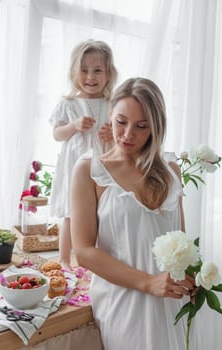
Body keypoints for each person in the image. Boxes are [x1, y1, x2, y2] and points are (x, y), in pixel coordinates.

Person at [70, 77, 199, 350]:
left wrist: (190, 277)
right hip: (123, 302)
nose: (128, 134)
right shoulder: (89, 171)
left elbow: (180, 241)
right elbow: (83, 251)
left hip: (170, 299)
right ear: (111, 115)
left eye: (141, 126)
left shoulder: (171, 170)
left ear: (156, 127)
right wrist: (148, 283)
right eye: (121, 122)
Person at [49, 39, 117, 268]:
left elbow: (121, 134)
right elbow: (57, 134)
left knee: (100, 213)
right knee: (71, 213)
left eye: (98, 70)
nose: (91, 76)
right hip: (73, 165)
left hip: (101, 162)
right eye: (84, 70)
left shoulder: (112, 103)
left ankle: (93, 260)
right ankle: (64, 258)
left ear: (108, 74)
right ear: (74, 72)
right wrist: (74, 125)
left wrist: (111, 134)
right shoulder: (68, 103)